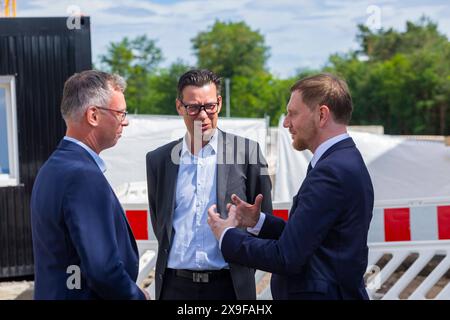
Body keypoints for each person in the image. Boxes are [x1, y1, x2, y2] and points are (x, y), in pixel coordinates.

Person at [208, 73, 374, 300]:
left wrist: (226, 235)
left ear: (322, 115)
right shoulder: (341, 161)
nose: (286, 123)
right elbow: (311, 239)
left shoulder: (331, 171)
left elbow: (287, 257)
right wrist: (259, 222)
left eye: (293, 113)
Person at [146, 69, 272, 300]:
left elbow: (264, 220)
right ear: (179, 107)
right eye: (193, 107)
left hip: (229, 287)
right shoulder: (158, 160)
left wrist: (243, 267)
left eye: (209, 106)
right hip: (175, 287)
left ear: (220, 103)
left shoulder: (247, 153)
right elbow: (160, 221)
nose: (202, 116)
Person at [31, 70, 149, 300]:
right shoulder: (82, 175)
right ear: (93, 115)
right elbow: (103, 269)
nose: (124, 122)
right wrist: (137, 296)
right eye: (120, 113)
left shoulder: (51, 168)